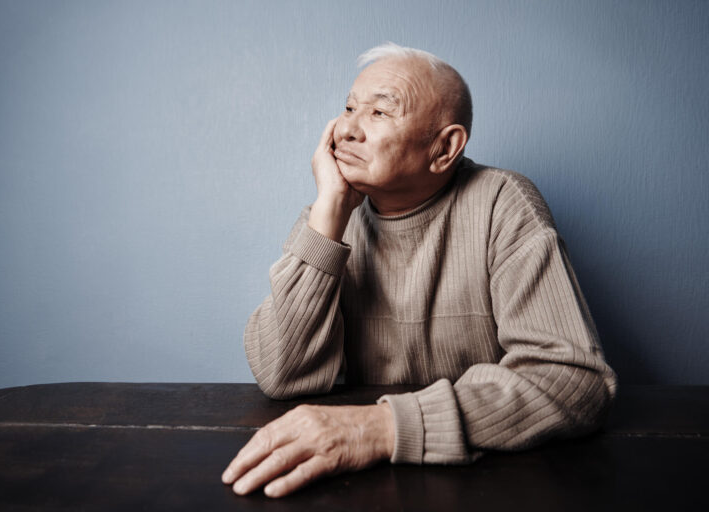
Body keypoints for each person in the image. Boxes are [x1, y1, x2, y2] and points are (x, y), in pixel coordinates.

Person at [222, 43, 617, 498]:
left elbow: (575, 381)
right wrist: (329, 212)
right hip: (355, 487)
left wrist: (383, 427)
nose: (346, 129)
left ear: (445, 147)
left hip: (487, 484)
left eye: (379, 113)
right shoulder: (330, 218)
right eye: (348, 107)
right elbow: (281, 375)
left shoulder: (502, 203)